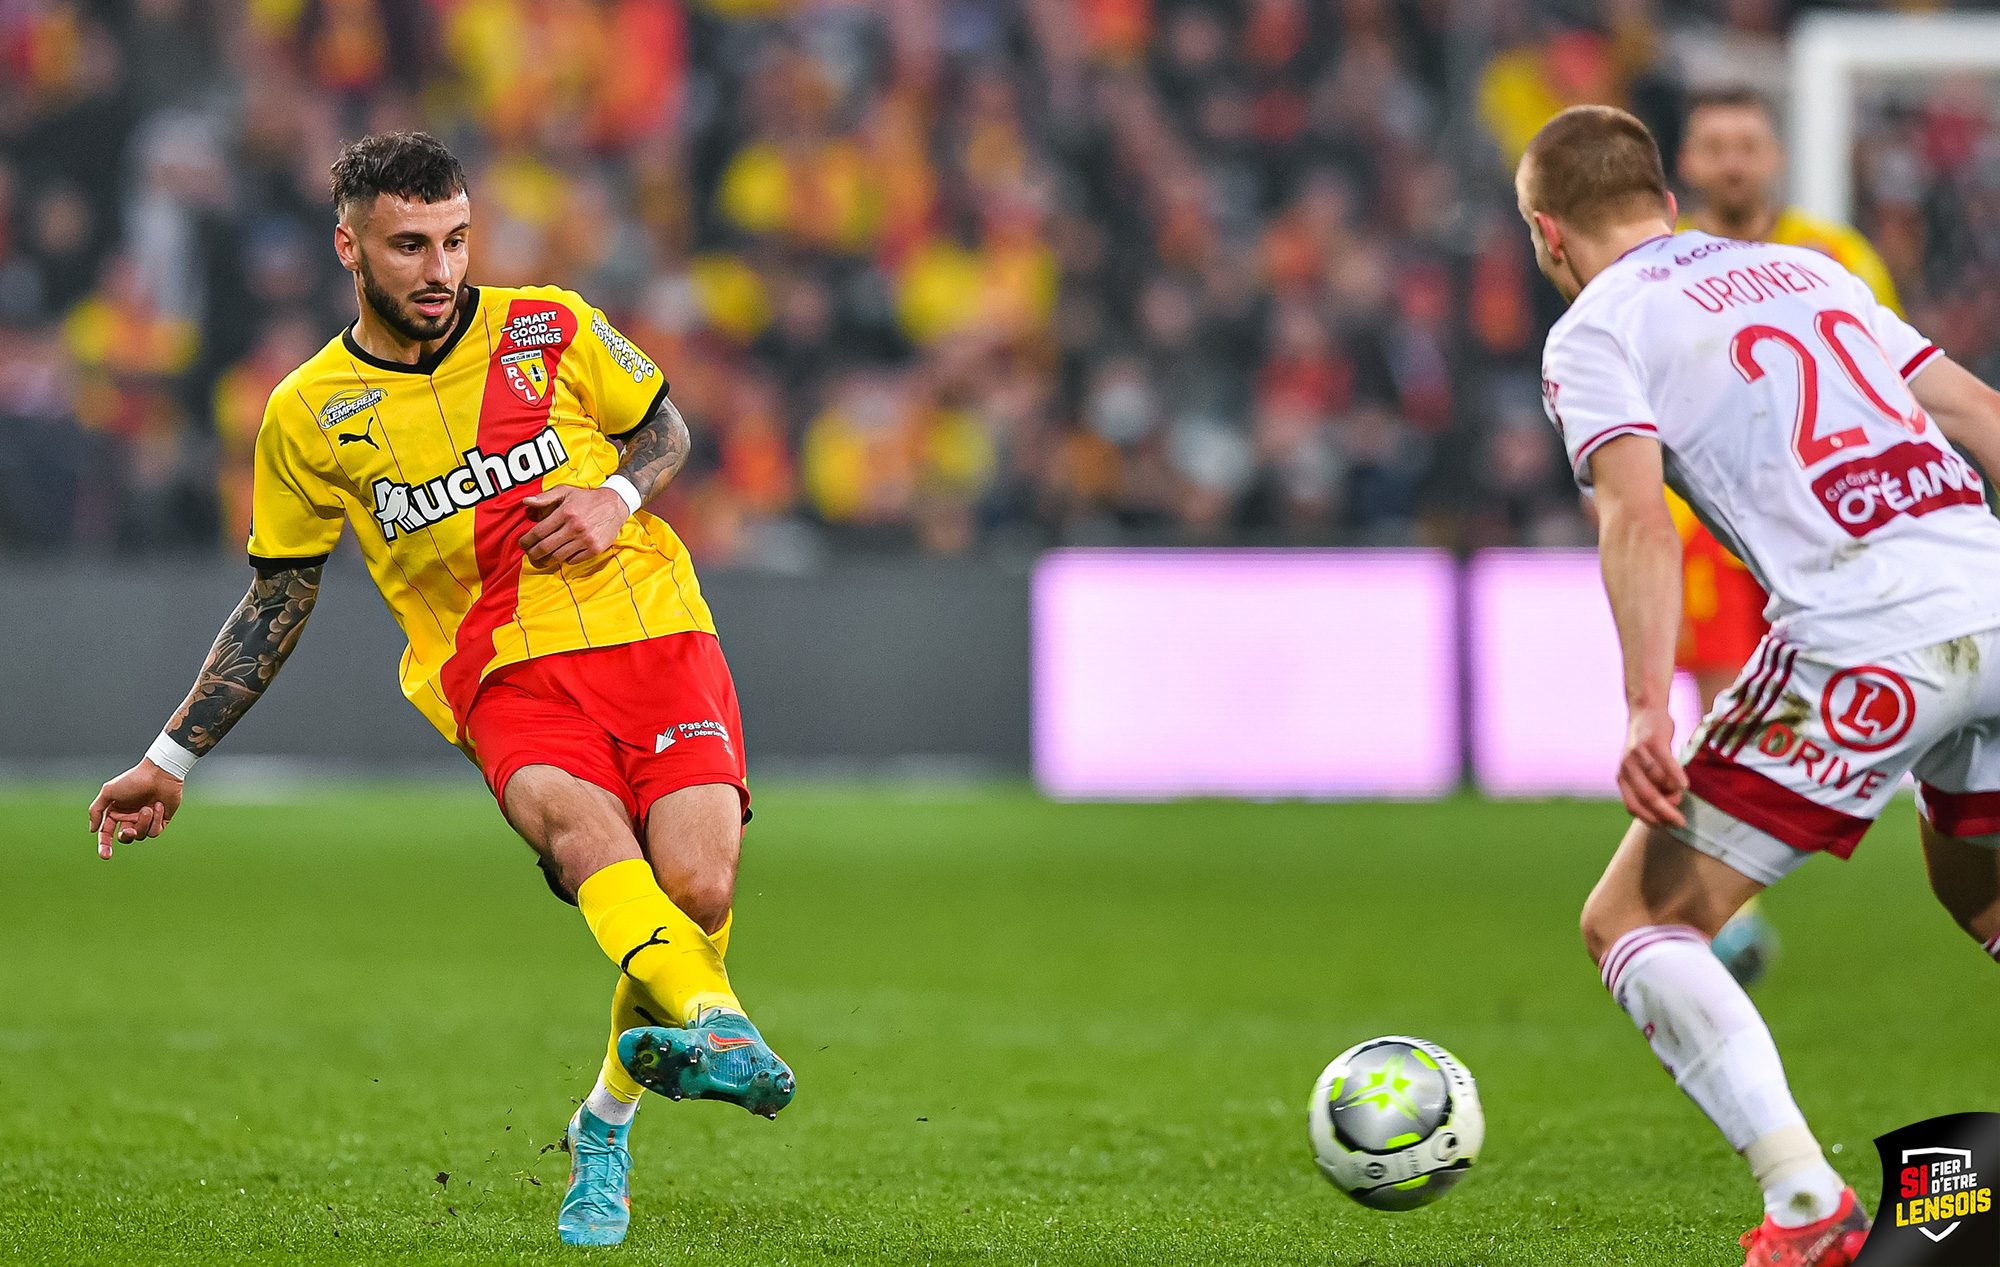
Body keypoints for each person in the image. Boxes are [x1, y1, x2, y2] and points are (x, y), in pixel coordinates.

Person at [85, 132, 794, 1249]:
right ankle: (721, 1024)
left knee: (698, 892)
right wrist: (170, 758)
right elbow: (278, 597)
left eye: (456, 239)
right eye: (409, 244)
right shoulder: (310, 412)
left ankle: (604, 1120)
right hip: (497, 672)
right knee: (583, 846)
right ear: (349, 247)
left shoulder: (548, 326)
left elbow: (665, 426)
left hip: (656, 630)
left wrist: (613, 493)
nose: (439, 267)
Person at [1522, 105, 2000, 1266]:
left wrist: (1644, 707)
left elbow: (1633, 517)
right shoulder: (1805, 270)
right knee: (1979, 894)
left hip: (1861, 634)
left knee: (1633, 920)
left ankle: (1806, 1207)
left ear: (1546, 236)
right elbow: (1979, 415)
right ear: (1670, 203)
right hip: (1985, 581)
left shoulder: (1594, 328)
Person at [1673, 85, 1908, 986]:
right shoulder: (1661, 265)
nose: (1733, 161)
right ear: (1688, 166)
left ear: (1774, 158)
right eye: (1715, 146)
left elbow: (1888, 374)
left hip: (1825, 517)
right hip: (1708, 523)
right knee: (1722, 704)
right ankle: (1735, 910)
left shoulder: (1839, 255)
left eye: (1748, 144)